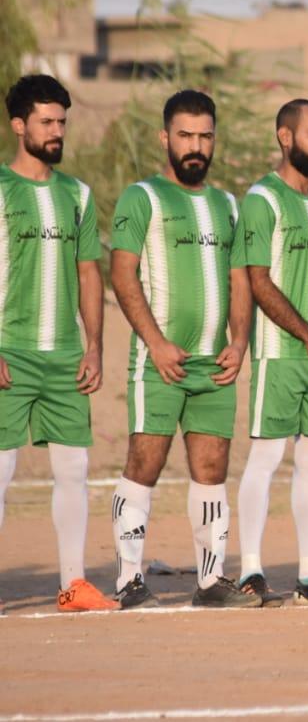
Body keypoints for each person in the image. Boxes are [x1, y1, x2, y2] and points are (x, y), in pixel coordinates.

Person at [109, 89, 257, 609]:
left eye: (205, 136)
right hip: (160, 363)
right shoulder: (141, 197)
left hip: (214, 365)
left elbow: (241, 279)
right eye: (185, 135)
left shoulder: (227, 204)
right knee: (143, 464)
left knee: (212, 470)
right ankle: (129, 579)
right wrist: (156, 342)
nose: (196, 146)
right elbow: (121, 273)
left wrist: (239, 342)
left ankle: (211, 583)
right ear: (164, 137)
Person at [233, 99, 308, 607]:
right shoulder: (263, 200)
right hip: (279, 354)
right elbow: (257, 281)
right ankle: (250, 572)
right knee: (265, 457)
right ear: (285, 138)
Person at [0, 75, 116, 614]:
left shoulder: (78, 193)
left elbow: (89, 272)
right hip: (9, 350)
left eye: (61, 122)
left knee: (73, 470)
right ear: (18, 125)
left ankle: (74, 583)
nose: (56, 131)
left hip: (65, 355)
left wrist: (93, 347)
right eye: (46, 122)